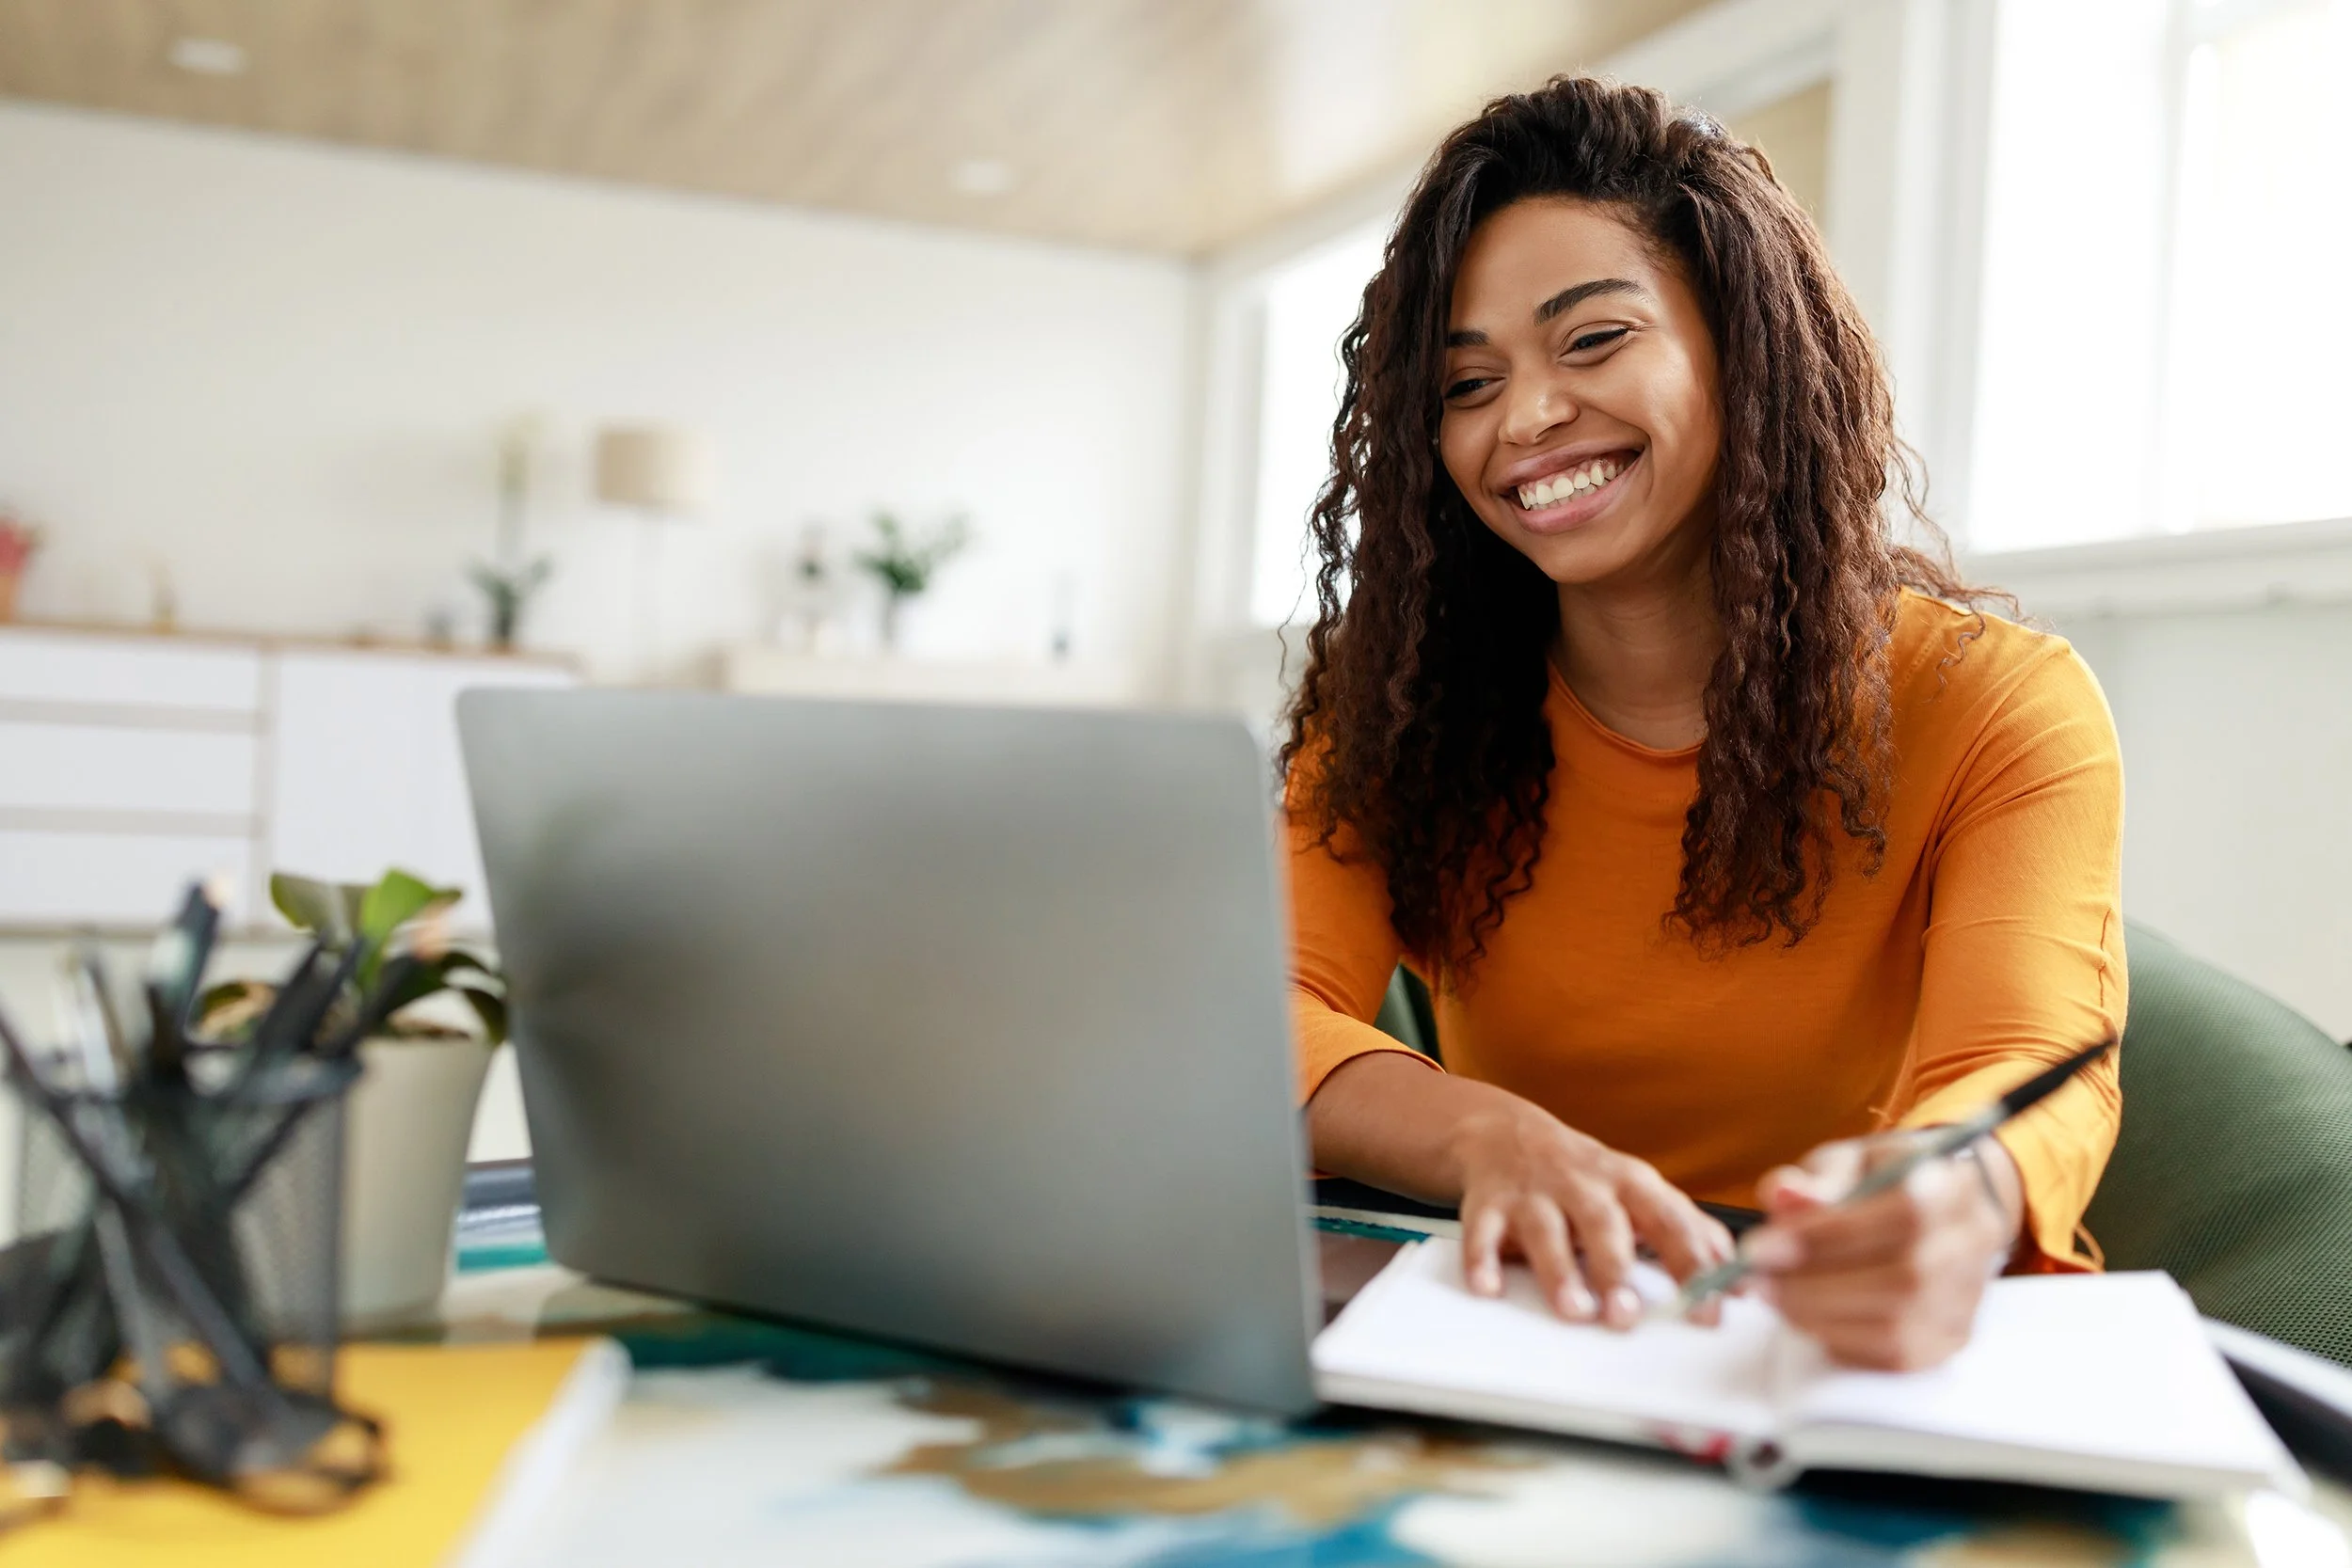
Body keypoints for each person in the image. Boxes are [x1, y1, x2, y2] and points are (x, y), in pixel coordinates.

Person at [1283, 77, 2124, 1371]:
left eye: (1594, 339)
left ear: (1743, 342)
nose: (1527, 418)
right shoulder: (1399, 705)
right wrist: (1488, 1135)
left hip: (1833, 1355)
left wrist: (1954, 1196)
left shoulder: (2001, 703)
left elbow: (2029, 1062)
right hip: (1519, 1329)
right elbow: (1261, 1007)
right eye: (1466, 382)